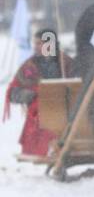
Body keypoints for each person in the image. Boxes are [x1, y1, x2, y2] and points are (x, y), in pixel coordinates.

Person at [4, 26, 73, 157]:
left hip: (64, 115)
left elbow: (79, 87)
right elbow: (13, 91)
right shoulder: (29, 66)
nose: (35, 47)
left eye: (39, 43)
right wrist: (27, 95)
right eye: (34, 43)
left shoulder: (66, 63)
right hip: (38, 116)